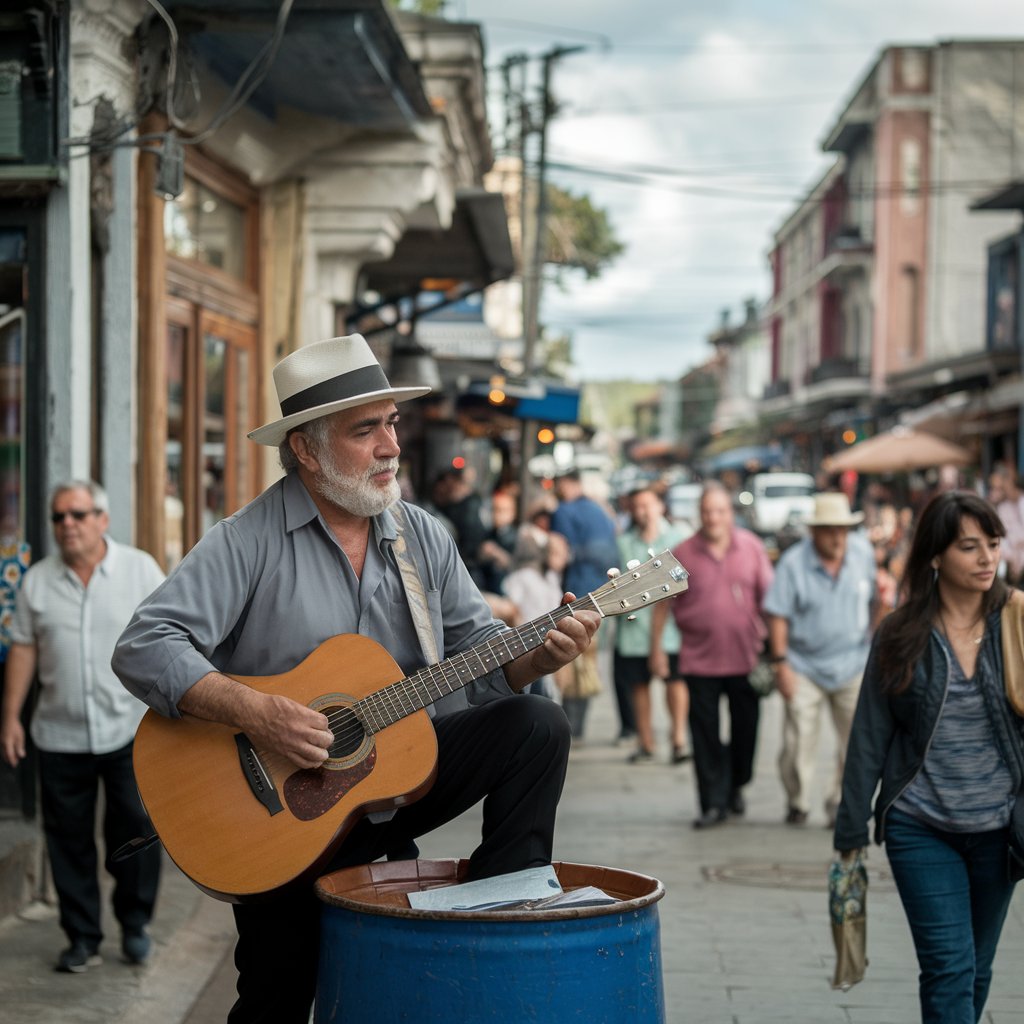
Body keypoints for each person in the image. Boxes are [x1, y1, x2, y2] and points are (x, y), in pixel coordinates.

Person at [111, 335, 599, 1024]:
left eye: (392, 423)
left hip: (391, 789)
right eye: (364, 429)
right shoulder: (245, 541)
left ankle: (498, 930)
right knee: (275, 998)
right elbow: (143, 644)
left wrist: (535, 659)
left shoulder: (421, 536)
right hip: (278, 821)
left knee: (538, 723)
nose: (389, 446)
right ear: (306, 450)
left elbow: (479, 649)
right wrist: (256, 712)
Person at [834, 491, 1023, 1023]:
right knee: (948, 965)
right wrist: (851, 829)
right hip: (922, 826)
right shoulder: (901, 634)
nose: (987, 557)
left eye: (992, 544)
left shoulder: (1017, 621)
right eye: (970, 546)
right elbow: (869, 733)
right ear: (936, 556)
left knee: (977, 968)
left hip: (1001, 830)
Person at [0, 480, 164, 973]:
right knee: (67, 841)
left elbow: (169, 638)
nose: (66, 524)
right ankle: (82, 936)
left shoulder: (140, 570)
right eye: (58, 517)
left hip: (130, 731)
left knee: (134, 832)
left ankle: (134, 925)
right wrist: (10, 717)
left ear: (102, 519)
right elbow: (24, 648)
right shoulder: (37, 582)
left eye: (77, 514)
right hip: (59, 734)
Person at [650, 482, 773, 828]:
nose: (713, 517)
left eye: (719, 511)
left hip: (746, 658)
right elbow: (661, 604)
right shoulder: (683, 554)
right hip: (698, 660)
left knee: (746, 731)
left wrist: (777, 651)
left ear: (730, 514)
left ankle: (736, 783)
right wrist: (657, 650)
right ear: (699, 515)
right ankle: (711, 802)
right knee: (704, 735)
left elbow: (770, 600)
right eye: (707, 511)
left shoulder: (751, 547)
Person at [764, 492, 878, 827]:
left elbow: (875, 600)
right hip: (804, 662)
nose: (837, 537)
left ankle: (840, 804)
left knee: (855, 742)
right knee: (797, 740)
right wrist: (781, 663)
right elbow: (778, 615)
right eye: (829, 530)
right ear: (814, 532)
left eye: (843, 530)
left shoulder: (862, 554)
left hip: (853, 660)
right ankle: (797, 801)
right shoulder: (793, 563)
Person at [616, 486, 691, 764]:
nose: (642, 511)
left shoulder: (679, 538)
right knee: (638, 685)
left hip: (672, 626)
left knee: (675, 681)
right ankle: (646, 742)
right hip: (635, 626)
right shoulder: (625, 542)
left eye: (647, 505)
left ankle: (679, 740)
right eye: (637, 506)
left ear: (660, 506)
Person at [550, 468, 619, 740]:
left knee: (567, 658)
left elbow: (559, 556)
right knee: (588, 661)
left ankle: (568, 726)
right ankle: (578, 728)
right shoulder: (599, 511)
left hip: (573, 593)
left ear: (566, 484)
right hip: (601, 593)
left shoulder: (564, 511)